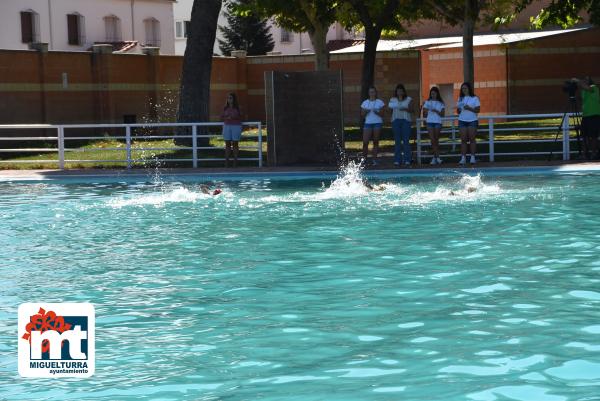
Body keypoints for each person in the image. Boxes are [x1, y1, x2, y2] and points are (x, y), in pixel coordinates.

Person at [389, 84, 414, 166]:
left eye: (401, 90)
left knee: (406, 140)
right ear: (396, 92)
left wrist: (405, 109)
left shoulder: (409, 99)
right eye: (398, 90)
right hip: (395, 121)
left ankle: (407, 159)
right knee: (397, 141)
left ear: (403, 91)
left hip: (406, 121)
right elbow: (390, 109)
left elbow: (412, 110)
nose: (399, 92)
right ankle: (397, 159)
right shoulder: (392, 100)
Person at [456, 82, 480, 165]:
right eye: (462, 89)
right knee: (463, 140)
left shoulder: (475, 98)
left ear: (469, 89)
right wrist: (459, 109)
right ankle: (463, 158)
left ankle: (472, 157)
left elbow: (478, 110)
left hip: (472, 120)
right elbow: (458, 111)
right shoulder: (460, 98)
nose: (464, 90)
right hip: (462, 120)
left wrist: (469, 108)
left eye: (465, 88)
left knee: (472, 139)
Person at [360, 86, 385, 166]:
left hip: (377, 123)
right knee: (365, 142)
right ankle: (364, 159)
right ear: (368, 93)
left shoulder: (380, 102)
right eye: (370, 92)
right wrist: (366, 111)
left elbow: (382, 114)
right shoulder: (365, 103)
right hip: (368, 123)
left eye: (373, 92)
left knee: (376, 141)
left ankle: (374, 159)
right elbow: (362, 115)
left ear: (376, 93)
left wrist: (376, 111)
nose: (372, 93)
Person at [577, 76, 600, 159]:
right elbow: (581, 99)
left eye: (586, 79)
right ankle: (584, 154)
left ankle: (594, 154)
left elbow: (588, 88)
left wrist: (577, 80)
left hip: (594, 115)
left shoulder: (594, 88)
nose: (584, 81)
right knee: (584, 136)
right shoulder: (583, 90)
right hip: (585, 116)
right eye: (584, 79)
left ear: (590, 81)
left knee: (593, 136)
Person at [422, 86, 445, 165]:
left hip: (437, 122)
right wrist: (426, 109)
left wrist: (436, 110)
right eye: (431, 94)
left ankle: (434, 157)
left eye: (434, 94)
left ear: (437, 94)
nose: (433, 95)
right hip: (429, 122)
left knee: (436, 140)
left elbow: (442, 114)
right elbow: (424, 112)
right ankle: (437, 157)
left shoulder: (441, 103)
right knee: (432, 140)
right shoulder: (427, 102)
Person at [221, 93, 243, 167]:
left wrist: (234, 117)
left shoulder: (238, 108)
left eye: (230, 98)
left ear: (234, 99)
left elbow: (241, 116)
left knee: (235, 143)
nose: (229, 99)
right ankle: (226, 161)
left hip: (236, 126)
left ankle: (235, 161)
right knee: (227, 143)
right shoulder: (225, 108)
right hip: (227, 126)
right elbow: (221, 117)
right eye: (228, 98)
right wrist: (226, 118)